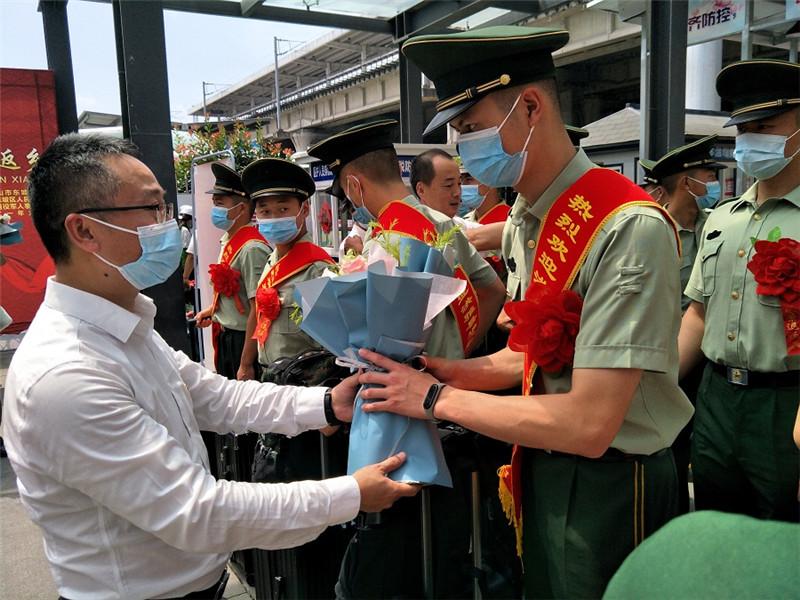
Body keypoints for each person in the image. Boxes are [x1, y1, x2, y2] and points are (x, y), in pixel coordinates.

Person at [1, 133, 417, 599]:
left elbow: (213, 397)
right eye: (151, 209)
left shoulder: (121, 329)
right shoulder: (67, 374)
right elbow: (198, 513)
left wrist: (325, 403)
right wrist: (350, 495)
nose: (168, 227)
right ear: (84, 231)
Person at [355, 25, 693, 598]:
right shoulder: (526, 220)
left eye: (470, 128)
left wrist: (436, 399)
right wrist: (454, 371)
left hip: (613, 480)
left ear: (530, 106)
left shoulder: (627, 227)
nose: (464, 150)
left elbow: (589, 422)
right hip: (544, 459)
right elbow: (538, 355)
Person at [308, 120, 507, 599]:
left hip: (399, 412)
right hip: (448, 398)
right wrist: (452, 349)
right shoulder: (442, 225)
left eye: (345, 191)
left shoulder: (384, 242)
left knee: (399, 548)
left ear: (354, 184)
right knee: (446, 543)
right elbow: (491, 288)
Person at [678, 59, 800, 522]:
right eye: (744, 129)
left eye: (765, 126)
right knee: (714, 527)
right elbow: (697, 315)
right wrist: (661, 382)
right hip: (715, 399)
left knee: (782, 546)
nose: (751, 140)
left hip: (786, 408)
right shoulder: (723, 219)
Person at [642, 135, 725, 514]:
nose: (714, 183)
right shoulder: (651, 232)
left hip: (704, 363)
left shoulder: (718, 227)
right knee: (668, 453)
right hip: (662, 360)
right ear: (686, 182)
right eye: (707, 174)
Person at [194, 163, 269, 382]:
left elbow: (258, 309)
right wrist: (213, 310)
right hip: (227, 337)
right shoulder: (230, 240)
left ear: (242, 209)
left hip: (243, 342)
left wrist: (246, 363)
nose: (214, 210)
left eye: (220, 204)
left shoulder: (252, 248)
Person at [411, 148, 463, 218]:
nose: (457, 193)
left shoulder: (467, 227)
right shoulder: (406, 227)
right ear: (421, 190)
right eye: (449, 185)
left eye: (459, 183)